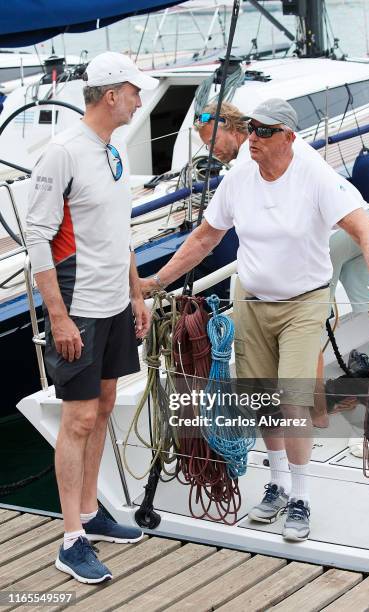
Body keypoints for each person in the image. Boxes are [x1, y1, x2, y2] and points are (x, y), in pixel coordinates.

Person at [142, 98, 369, 542]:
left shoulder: (314, 175)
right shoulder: (241, 174)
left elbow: (364, 230)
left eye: (264, 132)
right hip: (252, 298)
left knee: (293, 397)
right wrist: (157, 282)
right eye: (251, 130)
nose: (253, 138)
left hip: (303, 300)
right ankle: (278, 484)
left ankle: (301, 496)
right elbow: (206, 237)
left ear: (288, 136)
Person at [25, 51, 158, 584]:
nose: (139, 99)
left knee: (103, 406)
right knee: (78, 419)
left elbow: (120, 231)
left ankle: (90, 513)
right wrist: (57, 317)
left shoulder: (113, 150)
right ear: (110, 95)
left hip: (113, 304)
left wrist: (137, 296)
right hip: (76, 306)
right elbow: (37, 237)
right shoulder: (63, 153)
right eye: (133, 91)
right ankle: (69, 540)